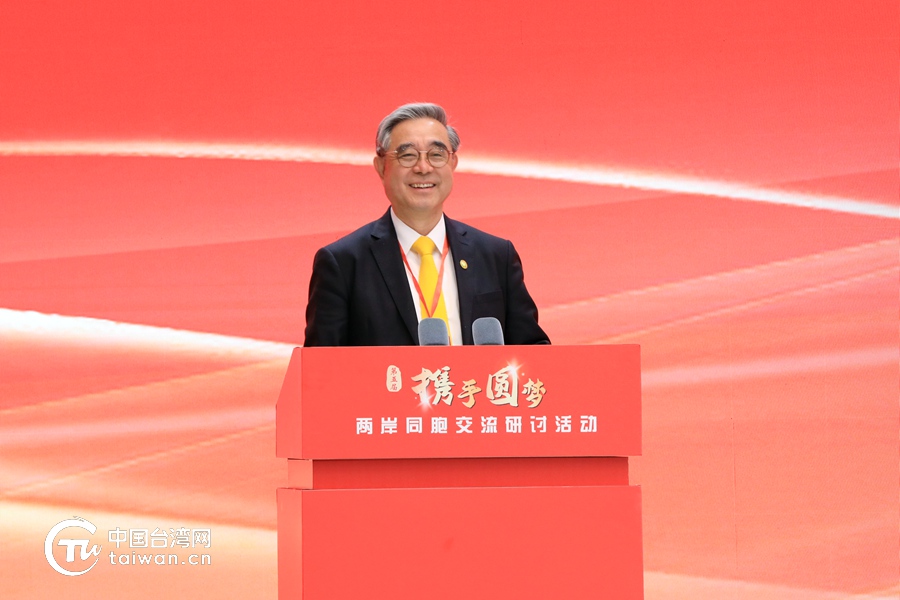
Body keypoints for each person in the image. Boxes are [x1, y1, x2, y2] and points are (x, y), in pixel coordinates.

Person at [303, 102, 549, 346]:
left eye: (436, 155)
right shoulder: (344, 263)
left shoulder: (496, 256)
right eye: (408, 155)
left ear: (453, 164)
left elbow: (533, 352)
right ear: (381, 167)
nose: (423, 168)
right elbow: (321, 364)